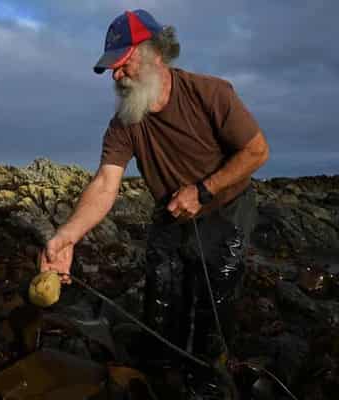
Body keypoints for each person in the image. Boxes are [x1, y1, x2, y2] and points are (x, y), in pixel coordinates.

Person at [40, 8, 268, 376]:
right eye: (111, 67)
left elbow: (258, 151)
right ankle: (159, 373)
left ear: (155, 54)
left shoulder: (211, 93)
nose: (115, 75)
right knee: (161, 293)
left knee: (215, 297)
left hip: (227, 207)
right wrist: (67, 236)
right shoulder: (125, 122)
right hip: (171, 211)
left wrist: (203, 190)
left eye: (122, 64)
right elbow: (104, 184)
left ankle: (211, 379)